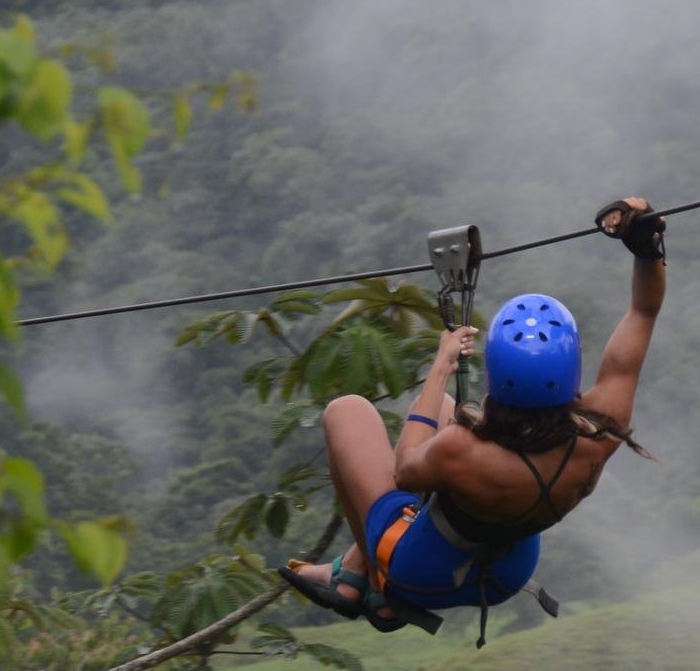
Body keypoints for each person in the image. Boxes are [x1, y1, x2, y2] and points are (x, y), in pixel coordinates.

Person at [279, 197, 667, 642]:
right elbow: (643, 313)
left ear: (495, 377)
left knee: (347, 411)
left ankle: (370, 585)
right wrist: (646, 250)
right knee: (448, 411)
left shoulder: (460, 451)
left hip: (422, 573)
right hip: (503, 574)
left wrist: (441, 364)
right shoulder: (600, 433)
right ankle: (353, 569)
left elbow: (404, 469)